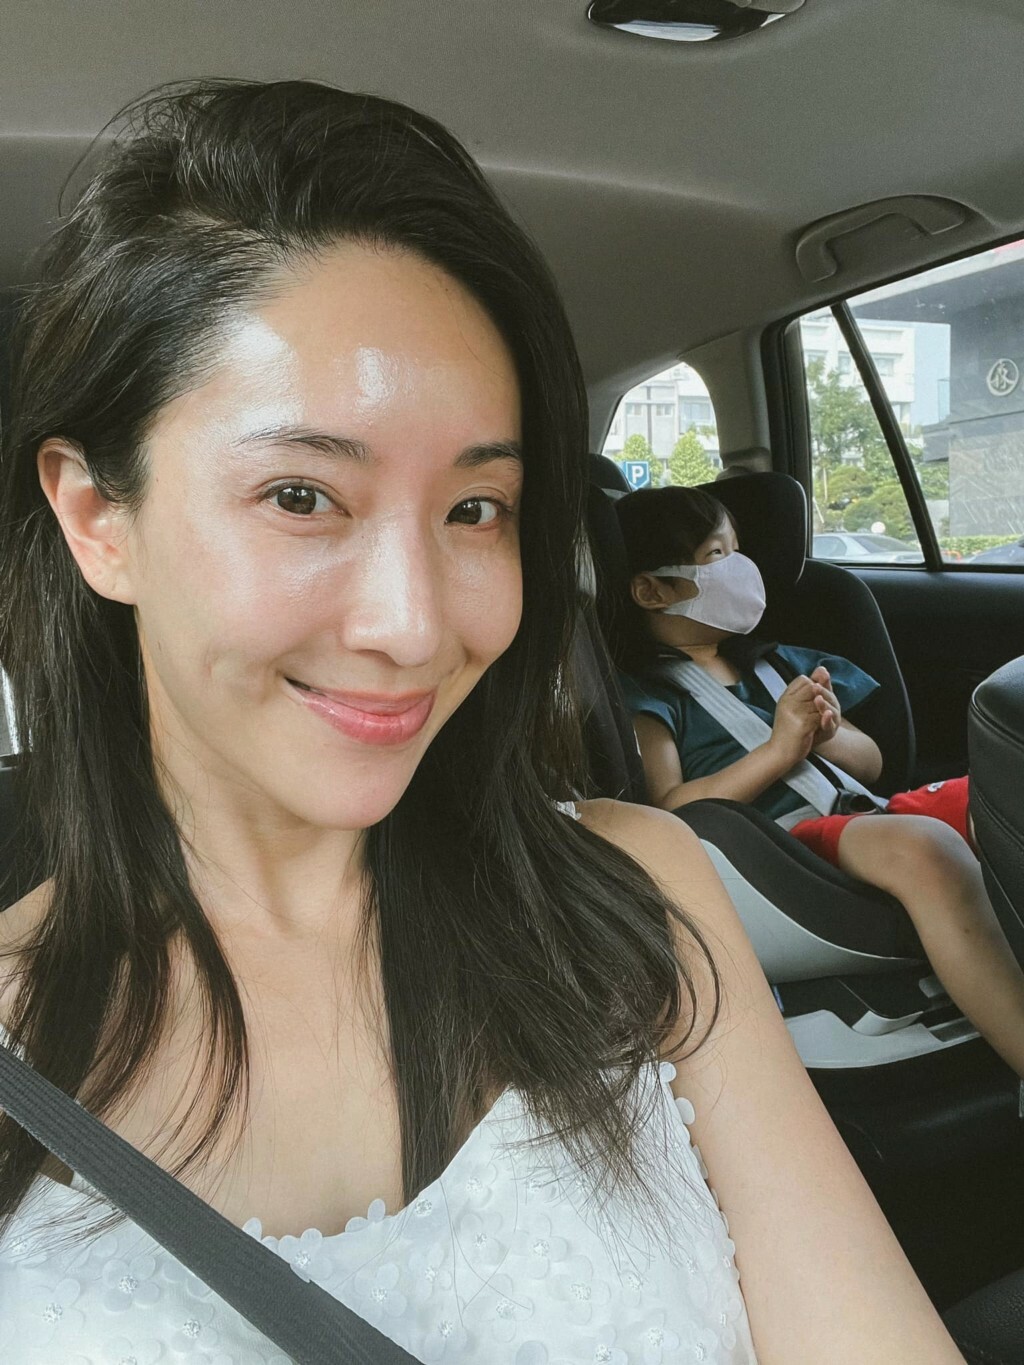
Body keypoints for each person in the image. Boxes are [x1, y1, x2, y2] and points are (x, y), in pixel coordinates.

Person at [0, 80, 963, 1363]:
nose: (414, 626)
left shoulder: (634, 895)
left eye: (474, 511)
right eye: (301, 495)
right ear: (96, 518)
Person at [614, 483, 1024, 1083]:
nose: (740, 569)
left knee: (1003, 793)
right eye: (716, 557)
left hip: (865, 814)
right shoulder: (647, 697)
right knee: (925, 847)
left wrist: (825, 734)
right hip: (776, 847)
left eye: (738, 551)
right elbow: (671, 812)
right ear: (651, 590)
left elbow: (873, 765)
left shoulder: (782, 663)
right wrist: (779, 751)